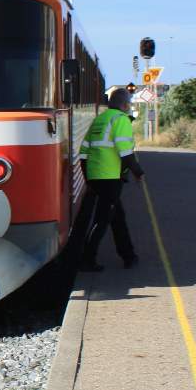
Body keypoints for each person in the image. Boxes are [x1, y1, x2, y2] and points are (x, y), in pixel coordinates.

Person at [78, 88, 146, 272]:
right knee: (102, 220)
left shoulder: (99, 120)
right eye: (129, 104)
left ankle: (128, 256)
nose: (129, 107)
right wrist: (138, 172)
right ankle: (87, 259)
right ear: (124, 105)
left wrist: (88, 179)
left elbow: (83, 153)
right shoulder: (121, 120)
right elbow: (125, 152)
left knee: (117, 217)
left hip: (96, 177)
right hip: (111, 177)